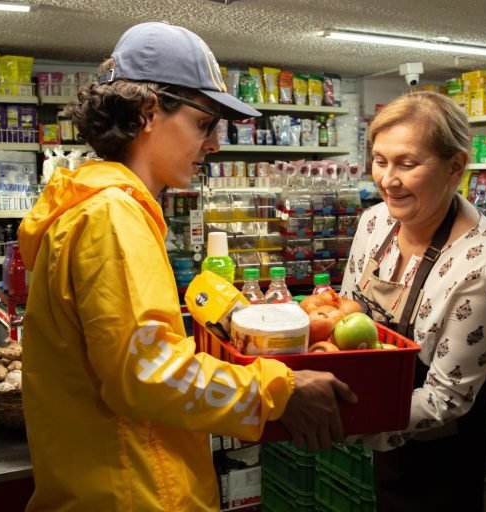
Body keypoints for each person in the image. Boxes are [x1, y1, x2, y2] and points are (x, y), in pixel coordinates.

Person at [18, 22, 356, 511]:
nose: (214, 144)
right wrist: (276, 390)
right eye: (205, 123)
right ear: (148, 111)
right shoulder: (113, 217)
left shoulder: (96, 207)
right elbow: (148, 375)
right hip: (136, 493)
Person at [340, 91, 486, 512]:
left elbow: (446, 399)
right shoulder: (375, 223)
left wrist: (340, 417)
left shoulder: (483, 265)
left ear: (455, 167)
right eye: (380, 160)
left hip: (478, 442)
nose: (387, 180)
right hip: (396, 423)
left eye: (407, 164)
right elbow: (348, 315)